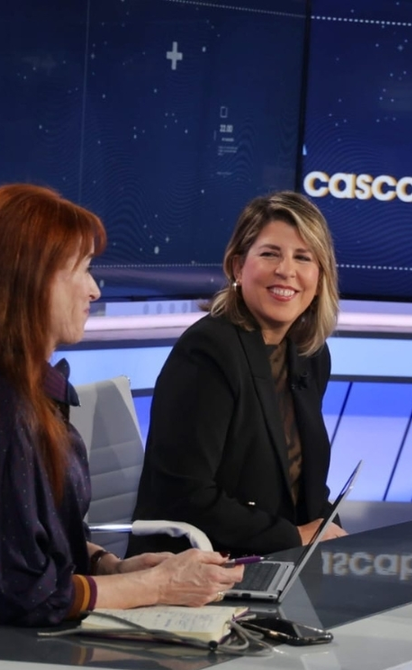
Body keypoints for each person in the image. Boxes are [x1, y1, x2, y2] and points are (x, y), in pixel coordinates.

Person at [0, 184, 243, 646]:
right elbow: (34, 595)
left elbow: (23, 540)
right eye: (82, 269)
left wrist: (111, 567)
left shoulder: (10, 388)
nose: (94, 290)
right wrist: (157, 586)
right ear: (28, 280)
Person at [128, 191, 345, 558]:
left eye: (303, 257)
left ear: (320, 275)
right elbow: (184, 496)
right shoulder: (207, 352)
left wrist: (333, 534)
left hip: (277, 559)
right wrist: (293, 537)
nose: (286, 270)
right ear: (237, 266)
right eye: (270, 254)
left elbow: (302, 484)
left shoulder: (309, 354)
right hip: (200, 565)